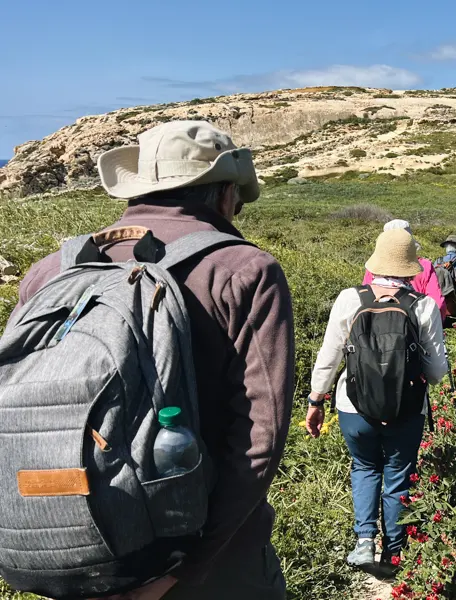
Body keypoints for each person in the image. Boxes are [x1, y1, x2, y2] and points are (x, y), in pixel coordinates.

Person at [12, 121, 295, 600]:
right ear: (226, 193)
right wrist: (182, 573)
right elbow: (258, 442)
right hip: (204, 565)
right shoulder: (245, 271)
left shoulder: (50, 271)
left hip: (65, 551)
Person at [307, 229, 447, 576]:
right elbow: (437, 371)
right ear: (410, 267)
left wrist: (315, 399)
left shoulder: (350, 299)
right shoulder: (423, 306)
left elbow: (329, 356)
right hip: (407, 409)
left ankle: (364, 542)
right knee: (398, 475)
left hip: (354, 408)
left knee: (365, 468)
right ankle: (394, 553)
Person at [363, 219, 447, 319]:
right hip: (413, 325)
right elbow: (437, 305)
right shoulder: (425, 266)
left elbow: (364, 299)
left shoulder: (373, 268)